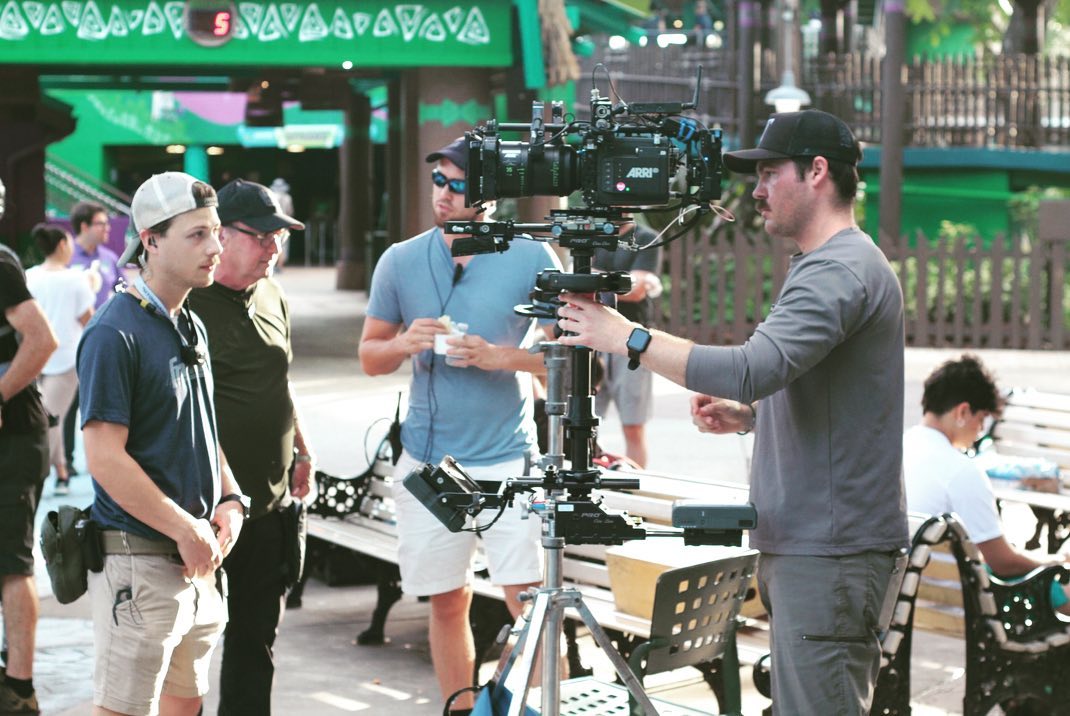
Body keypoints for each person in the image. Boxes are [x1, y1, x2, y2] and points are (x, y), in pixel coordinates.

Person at [557, 109, 909, 714]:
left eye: (770, 173)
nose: (757, 191)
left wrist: (626, 338)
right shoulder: (832, 265)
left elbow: (751, 367)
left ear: (817, 171)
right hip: (818, 547)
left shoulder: (838, 270)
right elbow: (820, 394)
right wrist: (753, 417)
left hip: (830, 552)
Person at [359, 137, 560, 714]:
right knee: (447, 602)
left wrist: (504, 358)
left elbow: (573, 361)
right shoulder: (400, 259)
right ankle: (460, 708)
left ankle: (520, 704)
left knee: (531, 605)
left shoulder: (532, 258)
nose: (442, 193)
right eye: (439, 181)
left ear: (489, 193)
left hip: (508, 460)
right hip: (427, 462)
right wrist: (404, 342)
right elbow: (370, 356)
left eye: (457, 183)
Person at [77, 172, 247, 716]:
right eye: (197, 234)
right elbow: (103, 457)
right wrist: (185, 527)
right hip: (139, 562)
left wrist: (230, 499)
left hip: (194, 562)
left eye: (216, 232)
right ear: (149, 239)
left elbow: (202, 429)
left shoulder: (189, 323)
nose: (215, 247)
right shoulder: (113, 331)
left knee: (186, 705)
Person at [187, 178, 313, 715]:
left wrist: (302, 450)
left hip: (270, 503)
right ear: (222, 235)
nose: (273, 248)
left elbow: (279, 382)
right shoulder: (188, 302)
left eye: (279, 236)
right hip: (203, 505)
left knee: (256, 637)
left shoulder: (273, 294)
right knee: (187, 642)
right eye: (261, 236)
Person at [903, 354, 1070, 614]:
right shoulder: (962, 471)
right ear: (963, 412)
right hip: (962, 605)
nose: (980, 431)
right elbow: (1005, 563)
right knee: (1063, 591)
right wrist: (1056, 560)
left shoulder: (898, 449)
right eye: (981, 419)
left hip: (908, 596)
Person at [0, 178, 59, 716]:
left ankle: (18, 689)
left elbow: (42, 339)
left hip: (15, 437)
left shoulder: (0, 264)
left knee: (11, 562)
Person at [25, 224, 95, 496]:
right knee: (51, 421)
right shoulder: (76, 280)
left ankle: (61, 473)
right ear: (63, 246)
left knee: (50, 418)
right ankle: (37, 476)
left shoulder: (29, 277)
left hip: (33, 358)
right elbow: (88, 319)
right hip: (65, 358)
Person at [593, 223, 662, 468]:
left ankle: (636, 489)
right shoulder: (591, 233)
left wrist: (592, 280)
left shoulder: (646, 237)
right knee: (581, 424)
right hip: (591, 338)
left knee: (633, 426)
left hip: (632, 341)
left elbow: (637, 290)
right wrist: (619, 283)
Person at [63, 201, 120, 476]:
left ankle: (103, 459)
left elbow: (124, 292)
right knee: (69, 404)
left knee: (102, 402)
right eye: (101, 223)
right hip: (70, 343)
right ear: (84, 226)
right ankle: (66, 461)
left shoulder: (110, 258)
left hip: (104, 343)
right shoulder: (65, 258)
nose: (107, 228)